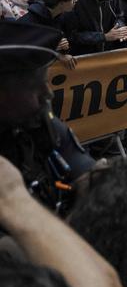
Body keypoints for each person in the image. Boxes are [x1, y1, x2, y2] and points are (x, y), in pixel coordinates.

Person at [0, 20, 95, 214]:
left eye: (46, 82)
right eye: (36, 86)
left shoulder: (40, 122)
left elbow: (87, 175)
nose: (48, 94)